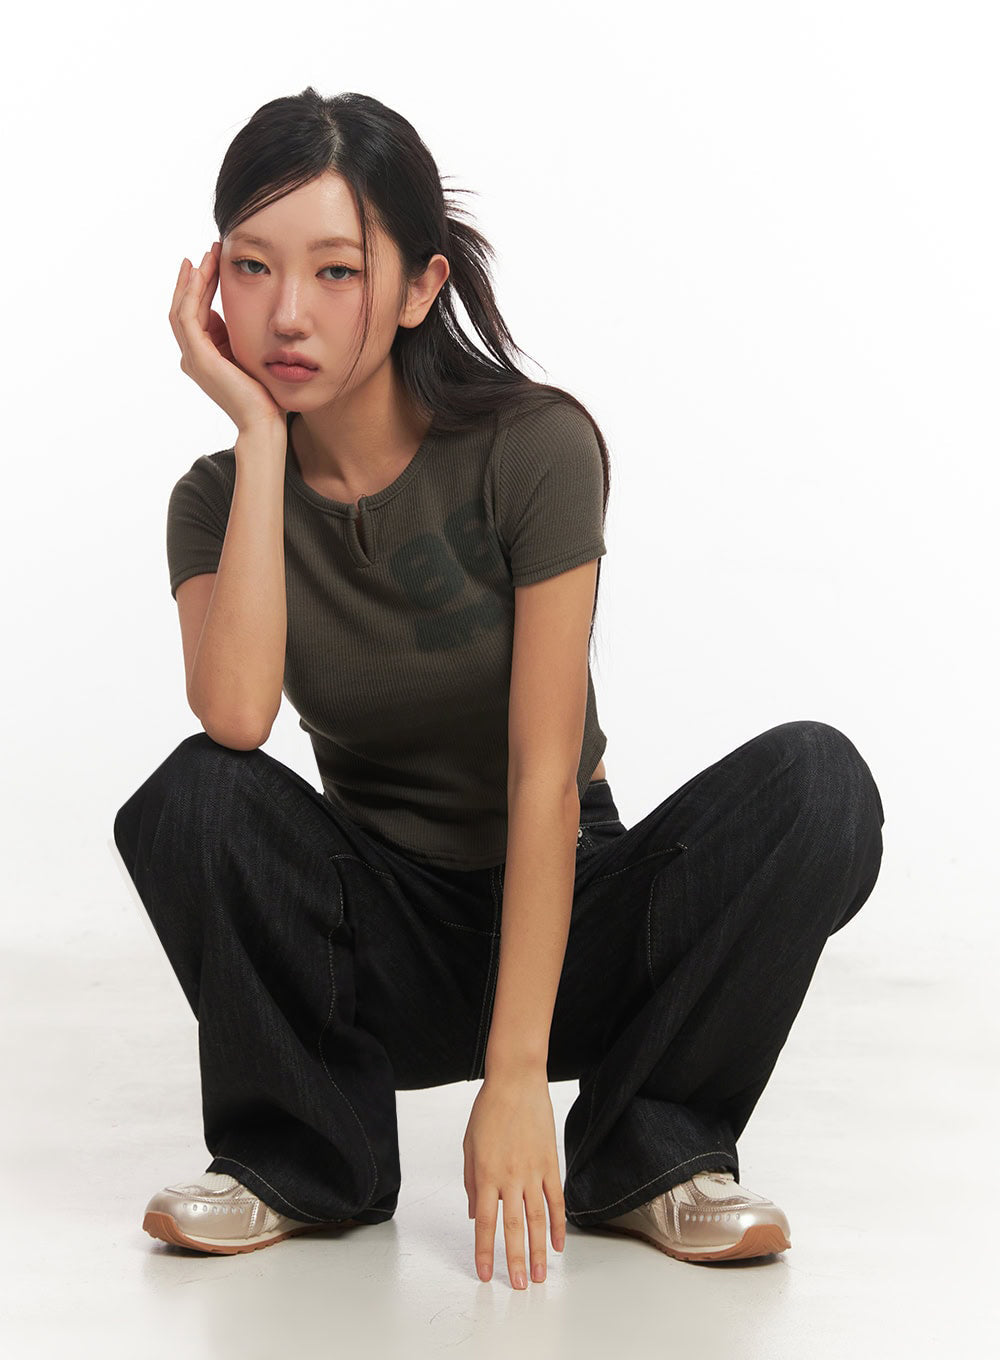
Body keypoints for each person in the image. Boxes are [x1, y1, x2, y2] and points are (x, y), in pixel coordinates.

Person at [113, 88, 885, 1285]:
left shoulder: (532, 448)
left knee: (818, 783)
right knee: (193, 795)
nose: (286, 312)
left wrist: (517, 1074)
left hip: (572, 909)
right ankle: (307, 1161)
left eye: (335, 271)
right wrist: (260, 441)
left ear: (419, 287)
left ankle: (649, 1154)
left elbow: (542, 771)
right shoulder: (216, 500)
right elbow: (236, 717)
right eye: (253, 267)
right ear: (212, 282)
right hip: (381, 943)